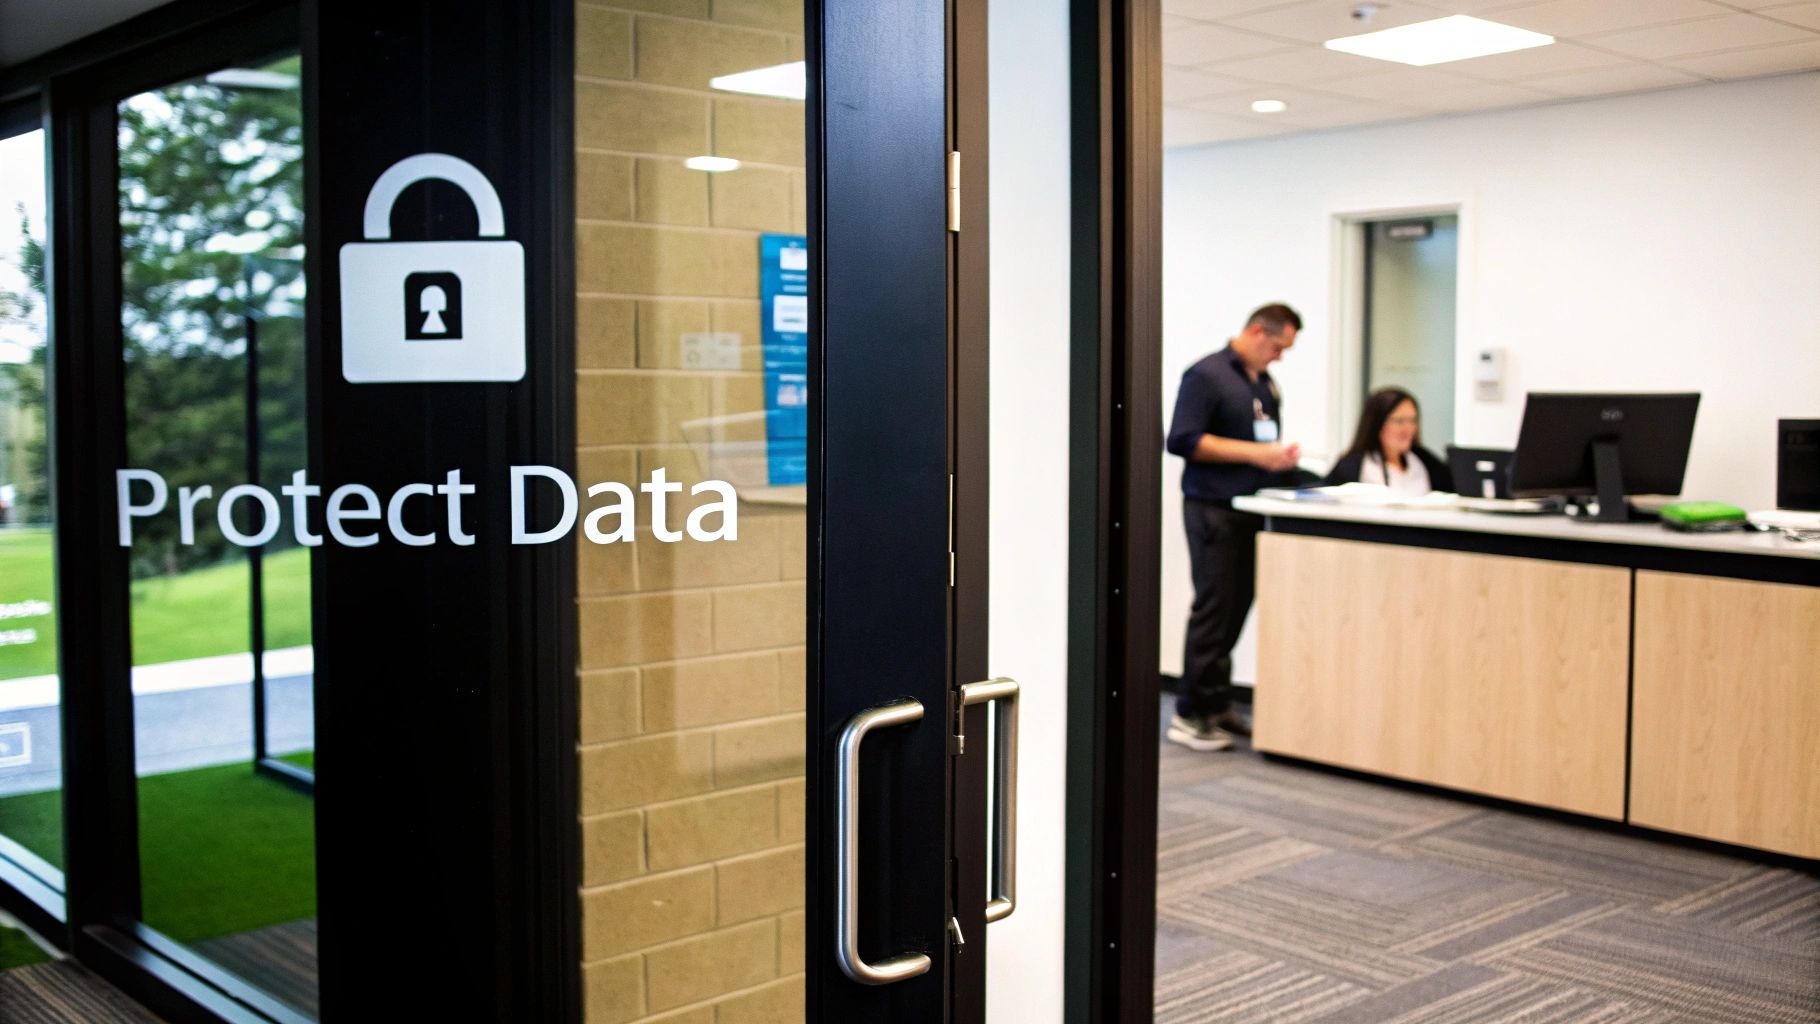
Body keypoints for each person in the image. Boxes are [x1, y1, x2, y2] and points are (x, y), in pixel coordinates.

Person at [1164, 303, 1302, 752]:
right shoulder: (1206, 375)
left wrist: (1278, 461)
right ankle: (1189, 713)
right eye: (1278, 347)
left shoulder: (1263, 383)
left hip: (1250, 508)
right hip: (1212, 510)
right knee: (1214, 608)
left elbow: (1264, 441)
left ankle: (1217, 703)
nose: (1280, 357)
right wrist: (1254, 454)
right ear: (1258, 331)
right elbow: (1183, 440)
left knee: (1237, 607)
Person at [1325, 387, 1455, 495]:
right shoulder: (1352, 465)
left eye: (1412, 421)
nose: (1408, 429)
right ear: (1377, 424)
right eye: (1399, 421)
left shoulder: (1425, 462)